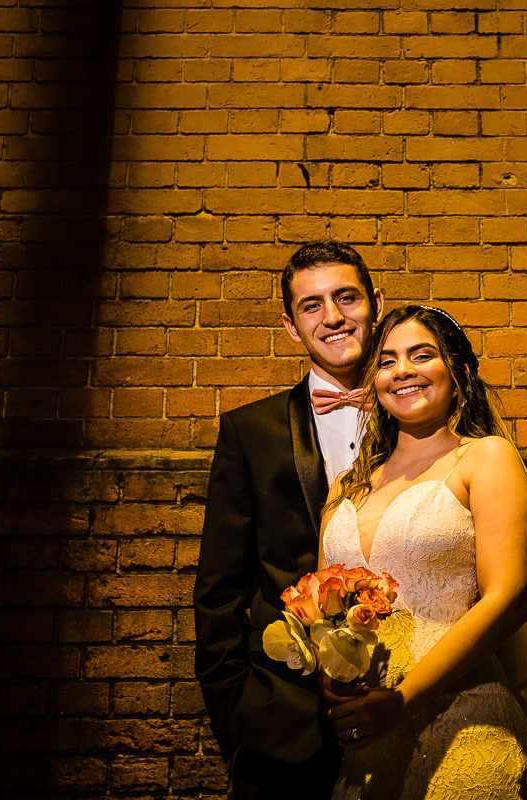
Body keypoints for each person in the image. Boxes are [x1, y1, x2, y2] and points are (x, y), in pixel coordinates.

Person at [318, 305, 527, 800]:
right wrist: (330, 681)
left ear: (458, 374)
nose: (403, 372)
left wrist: (401, 700)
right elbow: (324, 612)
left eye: (422, 355)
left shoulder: (483, 458)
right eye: (388, 360)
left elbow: (508, 600)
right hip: (369, 738)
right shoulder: (345, 487)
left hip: (465, 719)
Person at [193, 241, 384, 800]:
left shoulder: (425, 417)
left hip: (410, 693)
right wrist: (236, 716)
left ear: (375, 303)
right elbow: (219, 586)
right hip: (283, 720)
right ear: (291, 326)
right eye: (311, 305)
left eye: (346, 298)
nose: (332, 317)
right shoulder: (250, 432)